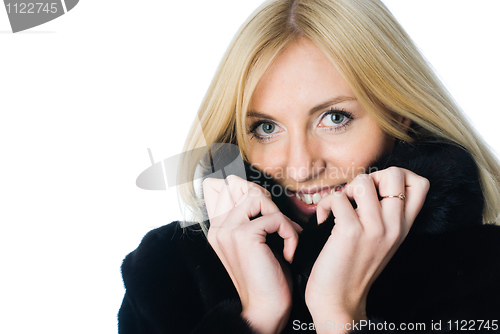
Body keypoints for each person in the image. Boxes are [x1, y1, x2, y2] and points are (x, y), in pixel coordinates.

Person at [118, 0, 500, 333]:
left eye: (334, 118)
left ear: (397, 115)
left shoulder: (486, 275)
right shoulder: (164, 274)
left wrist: (341, 316)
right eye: (266, 128)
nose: (300, 168)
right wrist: (256, 317)